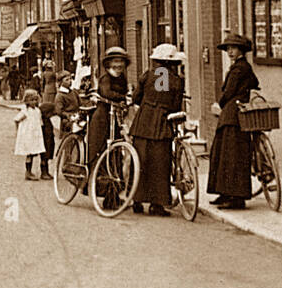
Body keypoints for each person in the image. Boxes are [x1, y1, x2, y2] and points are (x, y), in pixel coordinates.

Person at [131, 44, 185, 216]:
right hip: (162, 124)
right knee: (160, 164)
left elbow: (136, 98)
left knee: (140, 161)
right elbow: (176, 105)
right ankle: (157, 204)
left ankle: (136, 199)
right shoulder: (176, 80)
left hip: (143, 122)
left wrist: (149, 105)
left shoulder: (147, 75)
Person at [208, 33, 259, 210]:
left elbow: (229, 91)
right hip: (231, 114)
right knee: (224, 154)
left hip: (233, 116)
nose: (230, 51)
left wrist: (219, 103)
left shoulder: (239, 68)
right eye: (228, 49)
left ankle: (235, 196)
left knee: (231, 156)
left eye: (233, 48)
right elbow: (255, 83)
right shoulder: (242, 67)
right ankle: (225, 192)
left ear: (241, 50)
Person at [84, 46, 132, 195]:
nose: (118, 66)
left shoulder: (122, 78)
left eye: (121, 63)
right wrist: (124, 97)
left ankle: (113, 192)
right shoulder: (106, 78)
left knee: (115, 153)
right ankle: (97, 186)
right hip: (103, 118)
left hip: (116, 117)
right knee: (101, 151)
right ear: (109, 64)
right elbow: (106, 93)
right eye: (115, 63)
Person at [14, 89, 47, 180]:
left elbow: (40, 122)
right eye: (32, 100)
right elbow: (17, 119)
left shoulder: (37, 111)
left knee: (33, 153)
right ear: (27, 101)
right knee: (29, 154)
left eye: (35, 100)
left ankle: (30, 172)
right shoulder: (25, 111)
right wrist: (18, 132)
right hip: (28, 135)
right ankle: (28, 172)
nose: (34, 102)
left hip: (35, 135)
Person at [37, 58, 58, 178]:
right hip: (52, 90)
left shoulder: (44, 74)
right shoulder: (53, 74)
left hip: (46, 90)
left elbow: (42, 84)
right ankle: (44, 170)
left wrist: (41, 91)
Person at [53, 71, 81, 140]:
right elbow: (59, 111)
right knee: (68, 142)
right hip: (67, 121)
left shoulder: (74, 92)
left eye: (70, 79)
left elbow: (80, 104)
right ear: (61, 82)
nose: (70, 81)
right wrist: (68, 115)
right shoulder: (60, 95)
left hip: (77, 117)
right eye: (67, 80)